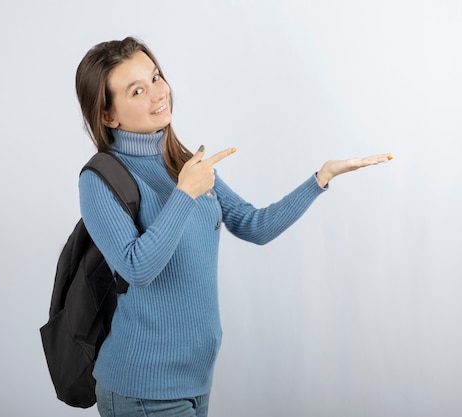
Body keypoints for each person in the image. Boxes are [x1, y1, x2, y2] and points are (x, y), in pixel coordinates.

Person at [75, 36, 392, 417]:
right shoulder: (99, 179)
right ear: (108, 115)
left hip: (196, 380)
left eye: (156, 78)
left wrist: (320, 178)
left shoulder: (184, 161)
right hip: (143, 387)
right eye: (137, 90)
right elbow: (137, 268)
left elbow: (253, 225)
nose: (158, 94)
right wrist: (184, 194)